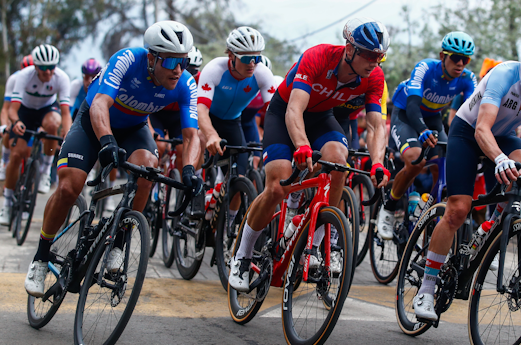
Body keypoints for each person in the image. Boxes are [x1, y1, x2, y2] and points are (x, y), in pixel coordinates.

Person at [411, 25, 521, 321]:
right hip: (468, 133)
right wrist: (499, 159)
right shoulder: (505, 74)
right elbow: (481, 129)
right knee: (458, 210)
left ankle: (491, 227)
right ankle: (426, 289)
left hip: (503, 135)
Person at [24, 20, 203, 297]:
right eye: (170, 62)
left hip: (134, 128)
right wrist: (106, 141)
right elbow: (99, 104)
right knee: (70, 186)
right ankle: (40, 256)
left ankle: (118, 245)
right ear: (153, 58)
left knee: (148, 172)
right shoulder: (127, 60)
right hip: (93, 122)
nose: (178, 69)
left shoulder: (185, 84)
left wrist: (190, 169)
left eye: (184, 61)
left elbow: (192, 136)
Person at [228, 17, 391, 292]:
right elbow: (294, 109)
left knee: (340, 161)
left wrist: (377, 163)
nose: (375, 61)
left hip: (320, 116)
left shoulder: (374, 77)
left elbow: (376, 125)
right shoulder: (318, 57)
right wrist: (302, 145)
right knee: (277, 186)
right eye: (369, 54)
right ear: (349, 49)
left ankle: (314, 246)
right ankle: (242, 256)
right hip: (285, 112)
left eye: (380, 55)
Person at [377, 31, 478, 240]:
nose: (460, 64)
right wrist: (422, 131)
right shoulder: (425, 68)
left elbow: (471, 115)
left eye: (465, 59)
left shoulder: (468, 79)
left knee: (445, 168)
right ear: (443, 56)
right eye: (455, 58)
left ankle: (427, 212)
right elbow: (413, 106)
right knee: (415, 160)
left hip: (433, 117)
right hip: (406, 113)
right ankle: (389, 206)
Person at [197, 27, 276, 223]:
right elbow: (201, 111)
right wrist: (211, 135)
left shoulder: (262, 73)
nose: (252, 64)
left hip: (233, 121)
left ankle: (228, 227)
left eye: (256, 58)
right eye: (246, 58)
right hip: (209, 120)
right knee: (198, 144)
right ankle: (195, 193)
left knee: (239, 178)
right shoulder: (214, 70)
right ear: (231, 55)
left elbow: (275, 113)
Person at [0, 45, 71, 226]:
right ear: (36, 67)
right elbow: (13, 110)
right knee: (16, 155)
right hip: (25, 112)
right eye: (44, 68)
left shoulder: (62, 78)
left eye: (52, 67)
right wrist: (16, 122)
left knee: (53, 125)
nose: (48, 72)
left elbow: (66, 114)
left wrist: (67, 134)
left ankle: (45, 172)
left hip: (47, 110)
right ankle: (7, 205)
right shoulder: (23, 76)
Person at [0, 55, 35, 181]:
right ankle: (4, 160)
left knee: (28, 151)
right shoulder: (14, 79)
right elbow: (6, 108)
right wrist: (4, 125)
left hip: (31, 114)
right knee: (10, 129)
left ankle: (27, 182)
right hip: (17, 113)